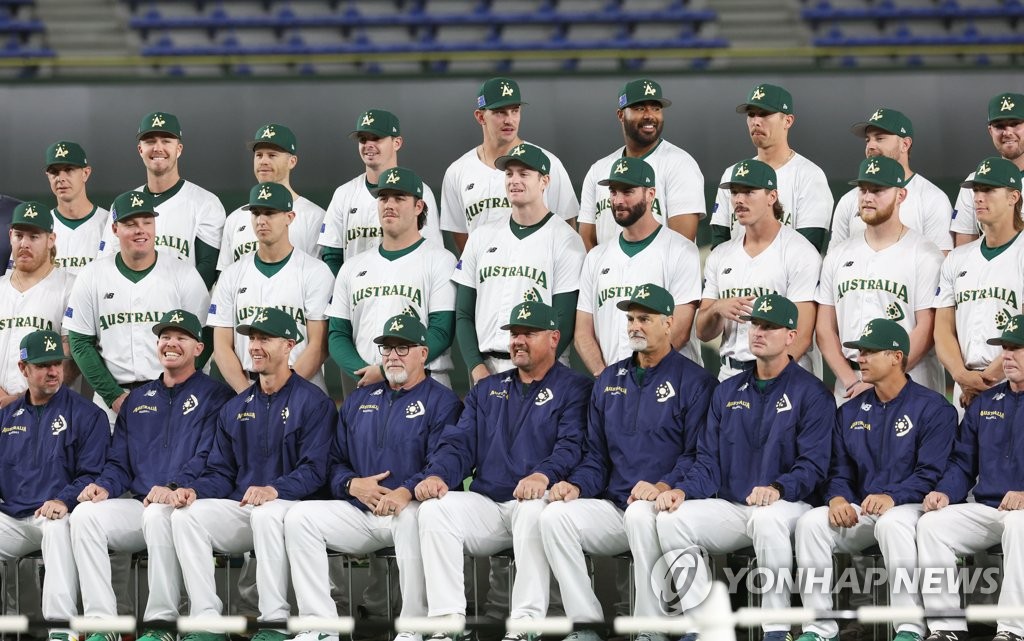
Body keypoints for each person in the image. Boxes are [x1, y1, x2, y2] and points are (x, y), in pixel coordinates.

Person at [540, 285, 716, 641]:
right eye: (631, 319)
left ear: (669, 323)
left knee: (639, 512)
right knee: (554, 516)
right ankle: (586, 625)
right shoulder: (608, 380)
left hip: (666, 508)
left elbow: (698, 455)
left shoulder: (695, 381)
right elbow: (595, 457)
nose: (635, 326)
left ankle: (650, 629)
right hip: (615, 505)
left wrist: (664, 486)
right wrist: (576, 486)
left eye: (645, 319)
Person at [658, 293, 833, 641]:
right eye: (755, 325)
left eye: (769, 327)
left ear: (791, 337)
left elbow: (814, 466)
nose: (758, 333)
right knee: (670, 518)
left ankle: (776, 628)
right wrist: (682, 490)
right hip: (737, 506)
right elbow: (707, 461)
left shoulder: (812, 392)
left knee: (767, 517)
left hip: (790, 506)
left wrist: (779, 488)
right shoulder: (727, 391)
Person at [415, 301, 591, 641]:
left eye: (528, 333)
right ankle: (447, 624)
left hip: (538, 502)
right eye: (514, 334)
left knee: (532, 507)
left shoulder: (575, 387)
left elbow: (572, 446)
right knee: (435, 510)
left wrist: (544, 475)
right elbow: (459, 444)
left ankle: (525, 625)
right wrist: (438, 475)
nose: (518, 341)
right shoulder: (487, 389)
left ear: (554, 338)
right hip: (490, 503)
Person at [285, 314, 462, 641]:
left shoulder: (442, 401)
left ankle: (413, 628)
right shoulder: (359, 398)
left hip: (407, 511)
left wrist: (406, 491)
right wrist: (352, 484)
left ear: (424, 353)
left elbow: (444, 462)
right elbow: (333, 461)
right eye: (387, 349)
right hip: (361, 510)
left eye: (403, 348)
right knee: (299, 517)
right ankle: (320, 627)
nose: (393, 356)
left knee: (415, 518)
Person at [169, 307, 335, 641]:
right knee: (187, 516)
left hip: (294, 507)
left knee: (266, 514)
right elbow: (220, 471)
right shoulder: (235, 406)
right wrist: (195, 491)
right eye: (252, 339)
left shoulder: (314, 401)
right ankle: (206, 624)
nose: (255, 346)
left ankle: (273, 623)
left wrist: (275, 490)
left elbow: (317, 470)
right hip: (247, 506)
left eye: (265, 338)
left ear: (289, 345)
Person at [69, 310, 233, 641]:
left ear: (199, 348)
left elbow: (211, 458)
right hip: (143, 503)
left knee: (160, 512)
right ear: (157, 345)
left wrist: (175, 487)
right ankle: (103, 625)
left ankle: (162, 624)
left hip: (192, 502)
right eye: (165, 337)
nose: (171, 343)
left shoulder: (216, 395)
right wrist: (103, 486)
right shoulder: (138, 399)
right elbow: (119, 463)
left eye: (181, 337)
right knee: (86, 515)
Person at [794, 319, 956, 641]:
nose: (860, 359)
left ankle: (908, 626)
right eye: (859, 353)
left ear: (896, 357)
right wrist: (837, 498)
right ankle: (819, 628)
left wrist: (892, 496)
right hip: (864, 507)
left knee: (891, 523)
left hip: (912, 507)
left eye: (869, 352)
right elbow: (838, 470)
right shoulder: (849, 411)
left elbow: (931, 473)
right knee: (811, 523)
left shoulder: (934, 407)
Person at [918, 314, 1024, 641]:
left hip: (1021, 513)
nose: (1007, 356)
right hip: (991, 507)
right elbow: (963, 462)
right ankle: (947, 627)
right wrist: (945, 494)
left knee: (1020, 524)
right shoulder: (987, 402)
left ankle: (1012, 629)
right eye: (1005, 348)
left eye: (1017, 349)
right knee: (932, 524)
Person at [0, 329, 109, 641]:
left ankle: (61, 631)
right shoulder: (6, 415)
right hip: (12, 517)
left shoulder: (87, 414)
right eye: (42, 365)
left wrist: (64, 500)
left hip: (57, 513)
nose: (53, 371)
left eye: (57, 364)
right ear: (23, 369)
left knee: (57, 527)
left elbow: (92, 474)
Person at [64, 190, 210, 420]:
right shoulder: (92, 275)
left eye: (147, 222)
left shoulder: (183, 273)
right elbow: (80, 342)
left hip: (172, 396)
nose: (140, 229)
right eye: (130, 223)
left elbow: (205, 335)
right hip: (112, 401)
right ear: (115, 229)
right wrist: (113, 396)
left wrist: (181, 386)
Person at [452, 143, 584, 384]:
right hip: (485, 369)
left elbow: (564, 317)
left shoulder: (566, 239)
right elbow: (463, 313)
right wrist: (475, 367)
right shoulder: (482, 236)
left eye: (524, 174)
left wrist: (537, 370)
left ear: (544, 181)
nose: (514, 180)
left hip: (542, 371)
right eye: (509, 173)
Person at [817, 157, 945, 402]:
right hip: (851, 384)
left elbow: (927, 327)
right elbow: (824, 328)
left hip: (910, 381)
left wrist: (887, 378)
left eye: (878, 190)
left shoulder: (925, 254)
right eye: (863, 189)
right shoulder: (838, 255)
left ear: (901, 195)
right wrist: (850, 381)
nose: (867, 197)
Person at [328, 167, 456, 388]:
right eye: (383, 198)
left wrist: (383, 371)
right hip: (365, 386)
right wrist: (365, 374)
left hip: (424, 383)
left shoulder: (441, 260)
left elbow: (441, 330)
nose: (389, 205)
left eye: (399, 198)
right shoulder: (352, 267)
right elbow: (337, 334)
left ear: (419, 206)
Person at [574, 157, 702, 376]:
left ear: (650, 194)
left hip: (668, 381)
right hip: (613, 384)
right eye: (613, 192)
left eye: (628, 191)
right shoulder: (596, 257)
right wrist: (604, 376)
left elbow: (680, 330)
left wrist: (637, 377)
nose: (618, 200)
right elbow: (582, 332)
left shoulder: (681, 250)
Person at [697, 160, 820, 380]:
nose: (739, 200)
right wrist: (716, 308)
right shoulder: (720, 255)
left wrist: (766, 382)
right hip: (729, 375)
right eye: (734, 193)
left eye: (749, 192)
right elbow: (703, 333)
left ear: (772, 197)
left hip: (782, 378)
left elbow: (801, 335)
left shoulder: (800, 252)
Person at [209, 182, 333, 393]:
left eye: (270, 213)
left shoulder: (315, 272)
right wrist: (246, 393)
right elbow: (221, 345)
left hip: (302, 387)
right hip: (246, 386)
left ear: (289, 217)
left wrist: (281, 391)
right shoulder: (232, 274)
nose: (261, 220)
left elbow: (319, 345)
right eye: (256, 213)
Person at [440, 78, 579, 254]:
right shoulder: (458, 171)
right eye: (500, 112)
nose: (509, 120)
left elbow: (568, 228)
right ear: (480, 116)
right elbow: (460, 233)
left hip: (536, 273)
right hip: (484, 276)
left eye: (515, 111)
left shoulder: (547, 163)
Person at [934, 157, 1024, 413]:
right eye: (976, 190)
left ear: (1013, 196)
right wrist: (961, 375)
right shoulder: (958, 258)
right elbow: (943, 328)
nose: (978, 198)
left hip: (1013, 381)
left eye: (988, 189)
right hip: (966, 386)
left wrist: (988, 379)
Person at [98, 111, 224, 288]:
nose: (158, 148)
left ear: (178, 149)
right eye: (150, 141)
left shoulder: (206, 203)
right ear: (140, 150)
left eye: (166, 141)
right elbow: (108, 264)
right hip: (132, 308)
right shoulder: (122, 204)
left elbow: (208, 269)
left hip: (182, 309)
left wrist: (166, 301)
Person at [577, 78, 705, 248]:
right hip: (607, 272)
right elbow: (587, 239)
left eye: (656, 108)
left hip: (659, 274)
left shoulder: (680, 164)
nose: (649, 115)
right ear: (621, 115)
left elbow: (682, 243)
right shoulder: (599, 170)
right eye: (639, 108)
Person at [710, 83, 833, 253]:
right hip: (738, 276)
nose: (756, 121)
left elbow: (808, 251)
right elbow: (719, 246)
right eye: (751, 114)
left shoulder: (809, 175)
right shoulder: (732, 174)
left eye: (765, 114)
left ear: (788, 121)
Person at [319, 109, 441, 276]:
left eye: (376, 138)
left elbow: (431, 251)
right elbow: (332, 255)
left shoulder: (419, 191)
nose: (368, 145)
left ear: (397, 142)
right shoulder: (344, 194)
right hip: (355, 293)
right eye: (363, 140)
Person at [828, 108, 953, 253]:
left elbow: (938, 264)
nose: (870, 146)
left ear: (905, 144)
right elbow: (834, 259)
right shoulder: (848, 200)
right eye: (868, 140)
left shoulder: (932, 199)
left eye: (880, 138)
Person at [218, 124, 324, 270]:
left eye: (272, 155)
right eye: (259, 155)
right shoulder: (234, 219)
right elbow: (224, 276)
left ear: (292, 161)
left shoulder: (314, 216)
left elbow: (318, 275)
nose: (263, 161)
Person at [0, 202, 76, 407]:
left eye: (34, 237)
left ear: (51, 239)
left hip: (49, 406)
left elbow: (72, 353)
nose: (24, 243)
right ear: (10, 236)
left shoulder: (71, 287)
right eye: (19, 235)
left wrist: (23, 398)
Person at [950, 92, 1024, 246]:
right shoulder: (975, 181)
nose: (1008, 132)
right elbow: (963, 251)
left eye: (1015, 123)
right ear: (990, 130)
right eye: (999, 126)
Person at [32, 141, 109, 273]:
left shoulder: (109, 223)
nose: (60, 178)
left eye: (69, 170)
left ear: (85, 173)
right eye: (54, 172)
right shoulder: (38, 227)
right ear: (48, 176)